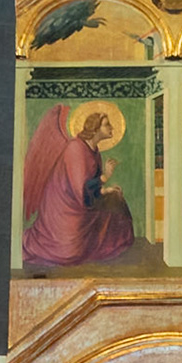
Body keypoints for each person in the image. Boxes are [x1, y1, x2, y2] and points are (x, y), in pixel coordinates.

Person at [20, 105, 135, 270]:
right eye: (107, 124)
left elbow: (90, 187)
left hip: (82, 203)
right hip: (64, 209)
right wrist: (105, 178)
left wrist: (106, 190)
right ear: (95, 128)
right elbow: (80, 189)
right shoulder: (76, 148)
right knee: (68, 254)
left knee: (115, 198)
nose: (112, 128)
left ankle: (114, 245)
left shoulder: (94, 150)